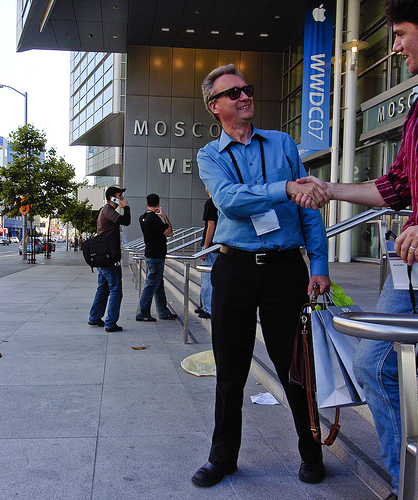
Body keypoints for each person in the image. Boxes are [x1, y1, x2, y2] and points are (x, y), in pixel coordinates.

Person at [294, 1, 418, 498]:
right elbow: (396, 187)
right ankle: (407, 485)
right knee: (374, 366)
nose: (393, 47)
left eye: (399, 34)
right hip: (415, 271)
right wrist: (330, 190)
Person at [191, 63, 331, 488]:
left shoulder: (284, 144)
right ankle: (223, 458)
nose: (244, 96)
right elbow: (230, 202)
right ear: (214, 106)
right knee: (230, 372)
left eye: (247, 89)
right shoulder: (209, 156)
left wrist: (320, 264)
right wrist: (284, 189)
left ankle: (311, 453)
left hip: (285, 271)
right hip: (233, 269)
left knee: (294, 369)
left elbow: (308, 208)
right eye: (233, 93)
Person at [88, 186, 131, 333]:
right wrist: (126, 207)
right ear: (112, 198)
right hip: (109, 257)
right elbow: (126, 221)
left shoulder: (105, 210)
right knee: (116, 290)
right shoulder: (108, 211)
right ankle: (110, 323)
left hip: (104, 256)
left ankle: (94, 317)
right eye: (120, 196)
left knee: (103, 288)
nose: (122, 198)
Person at [135, 193, 178, 322]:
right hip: (157, 256)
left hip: (149, 254)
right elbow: (169, 233)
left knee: (158, 285)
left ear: (147, 203)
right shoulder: (154, 219)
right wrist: (164, 216)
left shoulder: (142, 218)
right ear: (158, 203)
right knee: (151, 284)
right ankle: (142, 312)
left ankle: (163, 312)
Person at [197, 188, 218, 320]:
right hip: (218, 246)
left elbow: (211, 225)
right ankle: (205, 305)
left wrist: (205, 246)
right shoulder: (220, 202)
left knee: (207, 279)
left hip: (212, 247)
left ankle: (208, 308)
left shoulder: (211, 202)